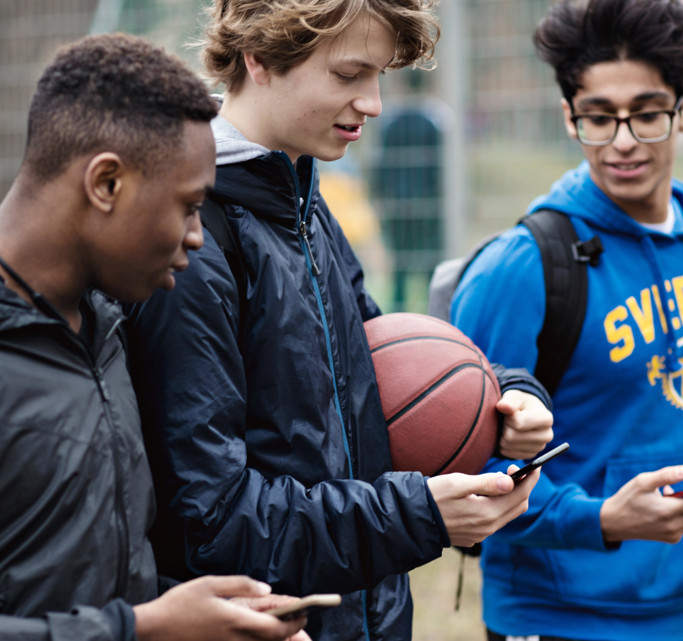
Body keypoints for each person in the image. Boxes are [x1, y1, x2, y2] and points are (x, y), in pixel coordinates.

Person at [0, 33, 310, 641]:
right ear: (105, 184)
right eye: (186, 206)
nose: (197, 236)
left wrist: (203, 618)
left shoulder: (105, 340)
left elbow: (74, 589)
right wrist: (146, 628)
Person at [125, 2, 554, 639]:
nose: (374, 102)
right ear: (260, 59)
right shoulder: (191, 248)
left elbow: (387, 365)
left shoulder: (303, 205)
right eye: (350, 75)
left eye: (379, 75)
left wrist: (506, 396)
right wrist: (419, 515)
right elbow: (210, 519)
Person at [450, 1, 683, 639]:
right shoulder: (523, 267)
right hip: (552, 616)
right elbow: (462, 468)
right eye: (599, 118)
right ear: (569, 120)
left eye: (647, 114)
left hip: (677, 615)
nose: (623, 140)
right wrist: (598, 520)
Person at [370, 68, 448, 312]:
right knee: (430, 266)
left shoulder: (390, 123)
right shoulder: (435, 121)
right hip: (429, 204)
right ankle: (434, 318)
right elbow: (441, 168)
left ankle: (396, 318)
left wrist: (380, 198)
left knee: (400, 269)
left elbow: (381, 166)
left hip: (398, 205)